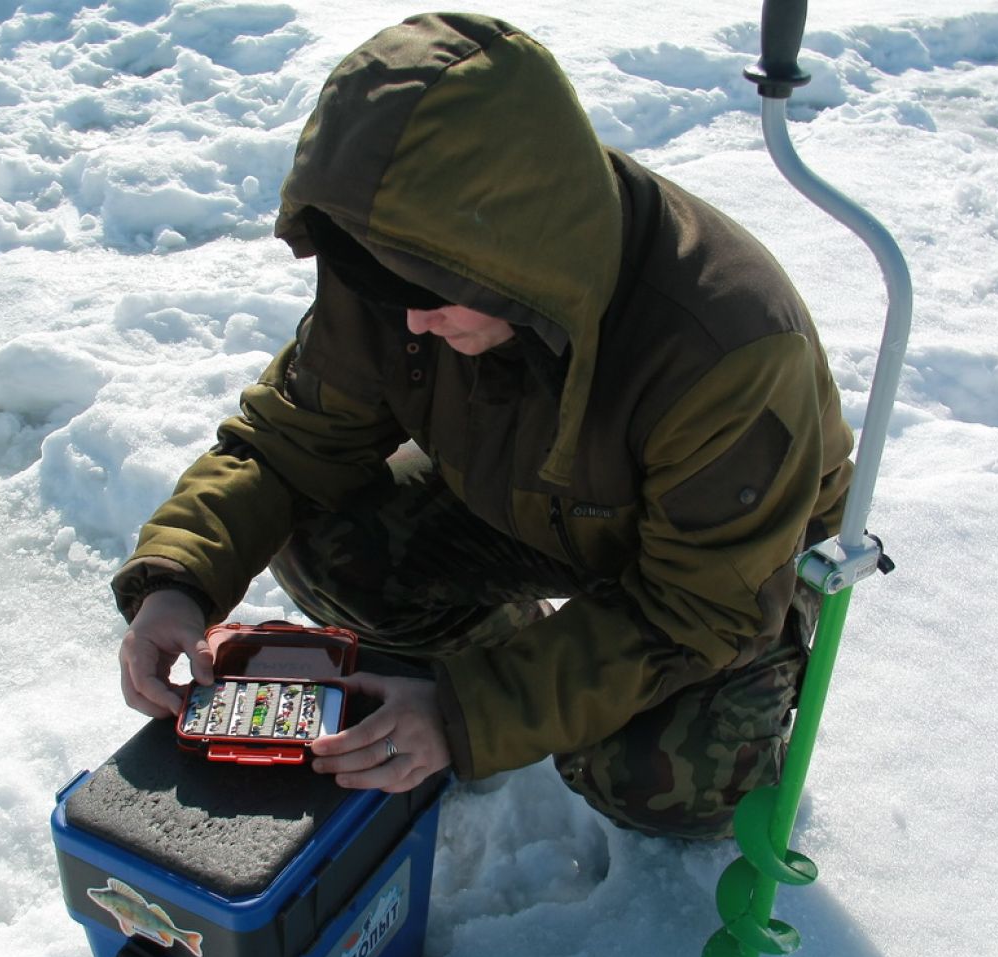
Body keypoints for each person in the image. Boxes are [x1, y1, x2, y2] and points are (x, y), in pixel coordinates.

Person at [114, 13, 854, 839]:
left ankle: (729, 702)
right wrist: (177, 580)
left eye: (432, 297)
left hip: (735, 569)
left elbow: (697, 608)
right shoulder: (404, 271)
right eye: (394, 294)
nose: (415, 325)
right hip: (533, 498)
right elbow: (289, 443)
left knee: (656, 778)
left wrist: (466, 717)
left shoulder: (728, 351)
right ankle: (518, 663)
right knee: (331, 541)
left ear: (513, 255)